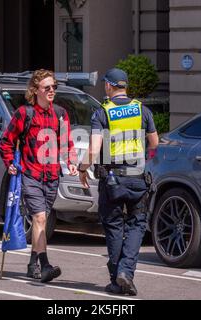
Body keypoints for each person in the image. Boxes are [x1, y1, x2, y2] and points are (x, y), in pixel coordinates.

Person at [78, 68, 159, 296]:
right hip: (138, 179)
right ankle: (125, 274)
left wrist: (82, 168)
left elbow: (94, 150)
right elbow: (154, 143)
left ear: (109, 86)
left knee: (114, 227)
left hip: (112, 180)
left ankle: (117, 278)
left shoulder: (102, 113)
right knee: (136, 226)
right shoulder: (142, 110)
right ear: (126, 86)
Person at [0, 69, 78, 283]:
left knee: (40, 223)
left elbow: (66, 142)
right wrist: (10, 164)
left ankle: (32, 263)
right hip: (31, 174)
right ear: (35, 90)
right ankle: (45, 265)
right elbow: (6, 141)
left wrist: (71, 162)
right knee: (40, 218)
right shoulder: (25, 114)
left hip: (52, 176)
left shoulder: (60, 114)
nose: (52, 90)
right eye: (47, 87)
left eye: (54, 87)